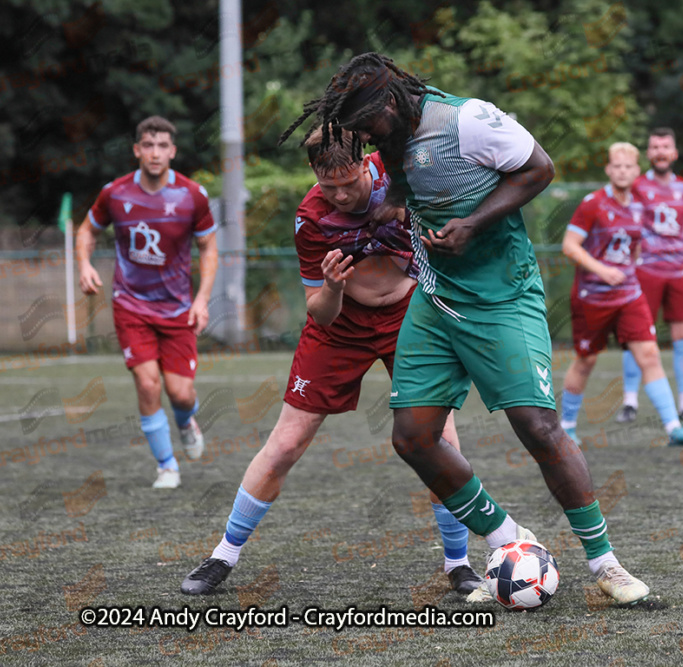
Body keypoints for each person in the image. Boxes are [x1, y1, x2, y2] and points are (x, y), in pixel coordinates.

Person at [299, 52, 651, 605]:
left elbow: (540, 169)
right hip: (436, 299)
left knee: (537, 426)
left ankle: (607, 565)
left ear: (392, 101)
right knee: (412, 437)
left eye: (368, 124)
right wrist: (393, 204)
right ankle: (509, 540)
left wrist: (471, 224)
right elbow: (399, 171)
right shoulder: (386, 134)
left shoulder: (466, 120)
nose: (365, 138)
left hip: (502, 296)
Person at [180, 128, 483, 596]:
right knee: (285, 444)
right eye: (329, 185)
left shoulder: (401, 172)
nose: (340, 195)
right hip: (340, 326)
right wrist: (335, 287)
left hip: (410, 316)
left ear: (367, 163)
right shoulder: (311, 220)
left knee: (438, 438)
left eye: (349, 182)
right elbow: (317, 310)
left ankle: (459, 564)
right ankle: (223, 555)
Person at [77, 116, 215, 488]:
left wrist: (202, 300)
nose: (155, 153)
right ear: (137, 150)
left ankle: (186, 420)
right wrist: (84, 263)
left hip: (177, 308)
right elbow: (88, 229)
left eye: (162, 146)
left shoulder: (192, 195)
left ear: (173, 151)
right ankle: (167, 465)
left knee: (180, 393)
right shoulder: (115, 193)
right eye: (148, 145)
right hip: (130, 304)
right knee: (148, 385)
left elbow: (209, 249)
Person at [560, 142, 683, 447]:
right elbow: (569, 246)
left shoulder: (641, 205)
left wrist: (630, 266)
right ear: (609, 170)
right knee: (586, 361)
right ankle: (567, 426)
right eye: (617, 166)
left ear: (637, 171)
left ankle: (674, 427)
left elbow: (636, 244)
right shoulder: (593, 203)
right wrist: (601, 270)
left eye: (628, 166)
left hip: (628, 294)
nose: (622, 171)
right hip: (592, 296)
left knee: (650, 356)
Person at [616, 128, 683, 424]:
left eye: (666, 146)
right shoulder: (634, 185)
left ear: (674, 153)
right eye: (655, 147)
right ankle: (630, 402)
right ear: (647, 154)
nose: (660, 152)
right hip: (644, 272)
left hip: (679, 272)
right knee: (637, 336)